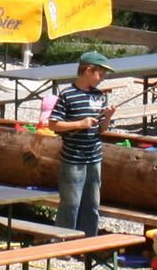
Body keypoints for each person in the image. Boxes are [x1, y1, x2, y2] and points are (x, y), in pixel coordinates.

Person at [46, 50, 115, 234]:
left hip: (94, 158)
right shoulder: (67, 95)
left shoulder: (99, 96)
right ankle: (64, 241)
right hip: (73, 158)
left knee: (92, 203)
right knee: (71, 203)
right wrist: (80, 123)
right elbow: (53, 124)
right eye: (100, 74)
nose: (102, 78)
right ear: (88, 71)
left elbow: (102, 129)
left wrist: (107, 117)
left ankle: (87, 242)